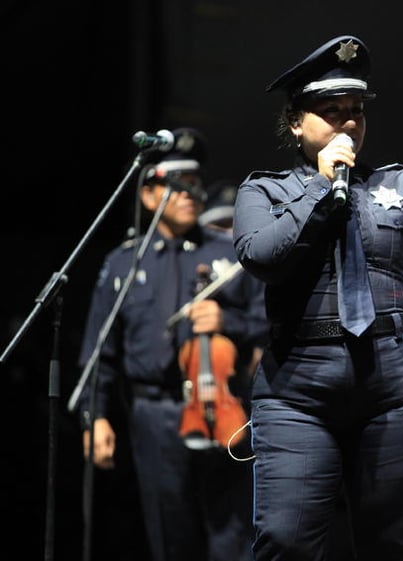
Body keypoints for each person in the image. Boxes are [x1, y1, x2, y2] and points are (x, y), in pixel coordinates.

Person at [231, 34, 403, 561]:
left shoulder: (395, 184)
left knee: (396, 546)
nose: (347, 123)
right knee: (285, 540)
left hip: (393, 381)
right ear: (295, 122)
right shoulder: (264, 191)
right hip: (298, 387)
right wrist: (322, 184)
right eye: (331, 112)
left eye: (355, 111)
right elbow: (261, 257)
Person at [75, 127, 268, 561]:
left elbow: (272, 323)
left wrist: (230, 320)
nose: (190, 193)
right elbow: (98, 349)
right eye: (176, 184)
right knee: (168, 534)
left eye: (196, 184)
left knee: (233, 536)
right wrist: (95, 417)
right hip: (154, 416)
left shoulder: (232, 254)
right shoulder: (125, 261)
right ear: (148, 195)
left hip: (227, 409)